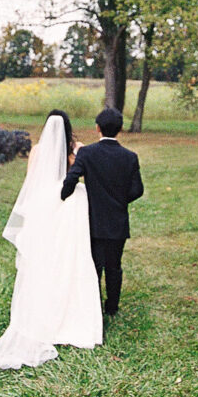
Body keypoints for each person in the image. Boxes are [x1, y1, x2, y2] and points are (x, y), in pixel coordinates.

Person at [0, 110, 102, 372]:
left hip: (42, 204)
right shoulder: (76, 151)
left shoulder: (36, 151)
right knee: (67, 257)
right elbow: (78, 176)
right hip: (67, 205)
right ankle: (70, 314)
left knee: (42, 259)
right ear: (68, 128)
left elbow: (31, 181)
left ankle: (42, 310)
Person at [60, 107, 144, 316]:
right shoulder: (130, 157)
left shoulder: (87, 153)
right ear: (120, 129)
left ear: (97, 128)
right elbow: (137, 190)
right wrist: (119, 200)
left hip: (93, 219)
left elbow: (72, 178)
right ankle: (112, 306)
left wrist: (62, 195)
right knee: (114, 265)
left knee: (94, 265)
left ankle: (93, 304)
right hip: (117, 221)